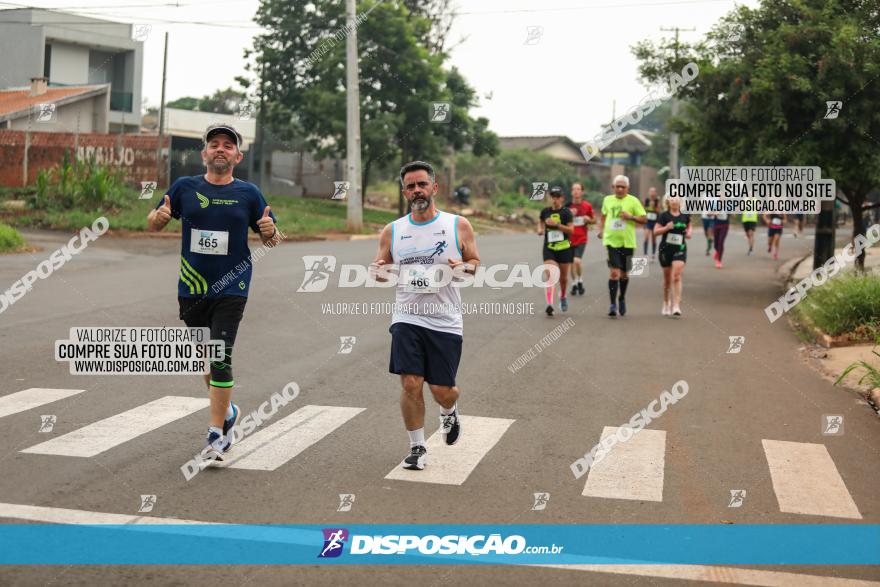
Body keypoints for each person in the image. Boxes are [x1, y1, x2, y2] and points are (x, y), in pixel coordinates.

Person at [147, 123, 280, 461]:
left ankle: (215, 434)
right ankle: (229, 411)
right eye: (214, 144)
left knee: (220, 355)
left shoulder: (249, 193)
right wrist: (158, 218)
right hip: (191, 288)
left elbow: (273, 238)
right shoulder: (184, 188)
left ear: (238, 155)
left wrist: (270, 230)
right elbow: (154, 219)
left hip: (233, 287)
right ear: (204, 153)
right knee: (204, 358)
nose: (221, 149)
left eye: (228, 145)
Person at [370, 161, 480, 471]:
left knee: (442, 390)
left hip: (445, 320)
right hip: (407, 317)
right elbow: (381, 268)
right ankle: (417, 446)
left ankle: (449, 410)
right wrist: (378, 271)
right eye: (410, 186)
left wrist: (463, 268)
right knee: (411, 382)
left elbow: (474, 265)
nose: (417, 190)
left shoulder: (458, 225)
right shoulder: (393, 230)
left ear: (434, 188)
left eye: (422, 184)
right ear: (404, 191)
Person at [597, 175, 647, 317]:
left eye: (622, 187)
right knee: (614, 272)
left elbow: (644, 219)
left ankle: (622, 297)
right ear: (613, 187)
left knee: (624, 274)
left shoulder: (633, 201)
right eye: (617, 186)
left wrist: (630, 217)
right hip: (611, 241)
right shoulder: (607, 200)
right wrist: (601, 230)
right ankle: (612, 304)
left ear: (628, 188)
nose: (619, 189)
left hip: (628, 242)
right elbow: (603, 215)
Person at [538, 186, 574, 315]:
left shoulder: (566, 212)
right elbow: (541, 221)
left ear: (562, 198)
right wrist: (540, 229)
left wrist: (557, 225)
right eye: (553, 196)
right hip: (549, 248)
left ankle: (563, 296)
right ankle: (549, 303)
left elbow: (571, 230)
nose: (555, 199)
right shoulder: (545, 211)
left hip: (564, 248)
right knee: (551, 275)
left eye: (557, 197)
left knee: (563, 279)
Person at [655, 196, 691, 316]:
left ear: (681, 201)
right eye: (672, 198)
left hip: (680, 249)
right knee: (667, 281)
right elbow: (655, 232)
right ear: (668, 202)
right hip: (665, 250)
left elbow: (689, 227)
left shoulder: (685, 215)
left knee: (676, 276)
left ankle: (676, 305)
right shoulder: (663, 216)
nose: (675, 200)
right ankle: (666, 302)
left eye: (677, 198)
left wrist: (689, 233)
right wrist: (666, 228)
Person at [567, 182, 596, 296]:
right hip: (569, 238)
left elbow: (594, 220)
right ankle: (575, 283)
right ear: (571, 192)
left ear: (582, 192)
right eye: (574, 189)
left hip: (581, 238)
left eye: (578, 189)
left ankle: (580, 279)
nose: (576, 191)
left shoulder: (587, 206)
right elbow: (561, 221)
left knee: (577, 261)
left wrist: (588, 219)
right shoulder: (567, 207)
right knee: (571, 263)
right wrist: (569, 215)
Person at [643, 187, 660, 260]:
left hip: (655, 222)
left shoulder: (657, 201)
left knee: (653, 239)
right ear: (649, 193)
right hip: (648, 222)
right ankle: (645, 254)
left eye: (653, 192)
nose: (652, 193)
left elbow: (658, 211)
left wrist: (653, 206)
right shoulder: (646, 201)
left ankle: (653, 254)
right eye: (651, 191)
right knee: (646, 236)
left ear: (655, 193)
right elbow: (642, 210)